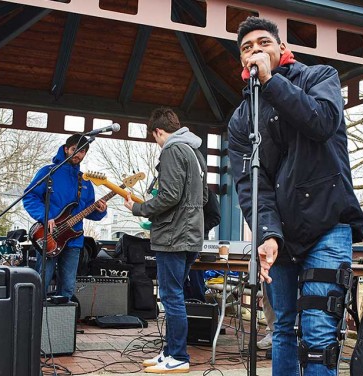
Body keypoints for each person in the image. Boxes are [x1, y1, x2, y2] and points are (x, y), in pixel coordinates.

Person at [227, 17, 363, 375]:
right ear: (242, 62)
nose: (254, 51)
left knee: (319, 332)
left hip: (327, 224)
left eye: (262, 43)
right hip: (282, 235)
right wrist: (268, 232)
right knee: (281, 329)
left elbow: (321, 121)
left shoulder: (320, 78)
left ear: (281, 48)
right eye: (246, 48)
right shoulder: (242, 120)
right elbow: (250, 184)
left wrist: (272, 82)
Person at [124, 107, 208, 374]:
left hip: (173, 238)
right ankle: (170, 352)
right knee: (176, 296)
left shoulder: (172, 150)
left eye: (155, 137)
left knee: (171, 297)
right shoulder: (195, 152)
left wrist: (139, 208)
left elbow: (169, 196)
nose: (157, 142)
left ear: (159, 131)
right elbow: (204, 197)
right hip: (192, 236)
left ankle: (179, 356)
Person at [23, 134, 107, 301]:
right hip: (49, 237)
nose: (79, 154)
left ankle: (62, 325)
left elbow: (89, 211)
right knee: (41, 283)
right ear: (66, 148)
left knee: (67, 289)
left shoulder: (85, 181)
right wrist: (45, 216)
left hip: (74, 241)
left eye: (83, 152)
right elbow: (29, 197)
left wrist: (100, 210)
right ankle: (35, 324)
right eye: (75, 149)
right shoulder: (48, 172)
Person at [184, 188, 221, 302]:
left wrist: (199, 228)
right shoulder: (182, 191)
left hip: (198, 240)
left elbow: (216, 217)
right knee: (180, 278)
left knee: (196, 276)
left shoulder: (208, 194)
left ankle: (199, 305)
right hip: (180, 240)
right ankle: (186, 305)